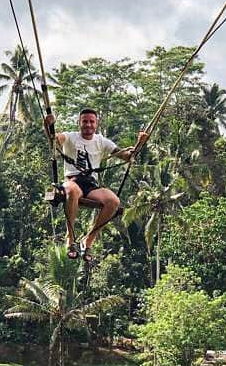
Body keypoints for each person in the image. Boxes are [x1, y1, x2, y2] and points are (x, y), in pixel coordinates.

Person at [44, 109, 148, 259]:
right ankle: (70, 240)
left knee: (113, 201)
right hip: (72, 181)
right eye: (85, 121)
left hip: (90, 184)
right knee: (72, 192)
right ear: (79, 122)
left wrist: (140, 143)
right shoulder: (70, 137)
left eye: (91, 121)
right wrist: (47, 126)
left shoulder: (101, 141)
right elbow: (53, 140)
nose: (88, 125)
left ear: (96, 124)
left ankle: (88, 241)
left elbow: (127, 156)